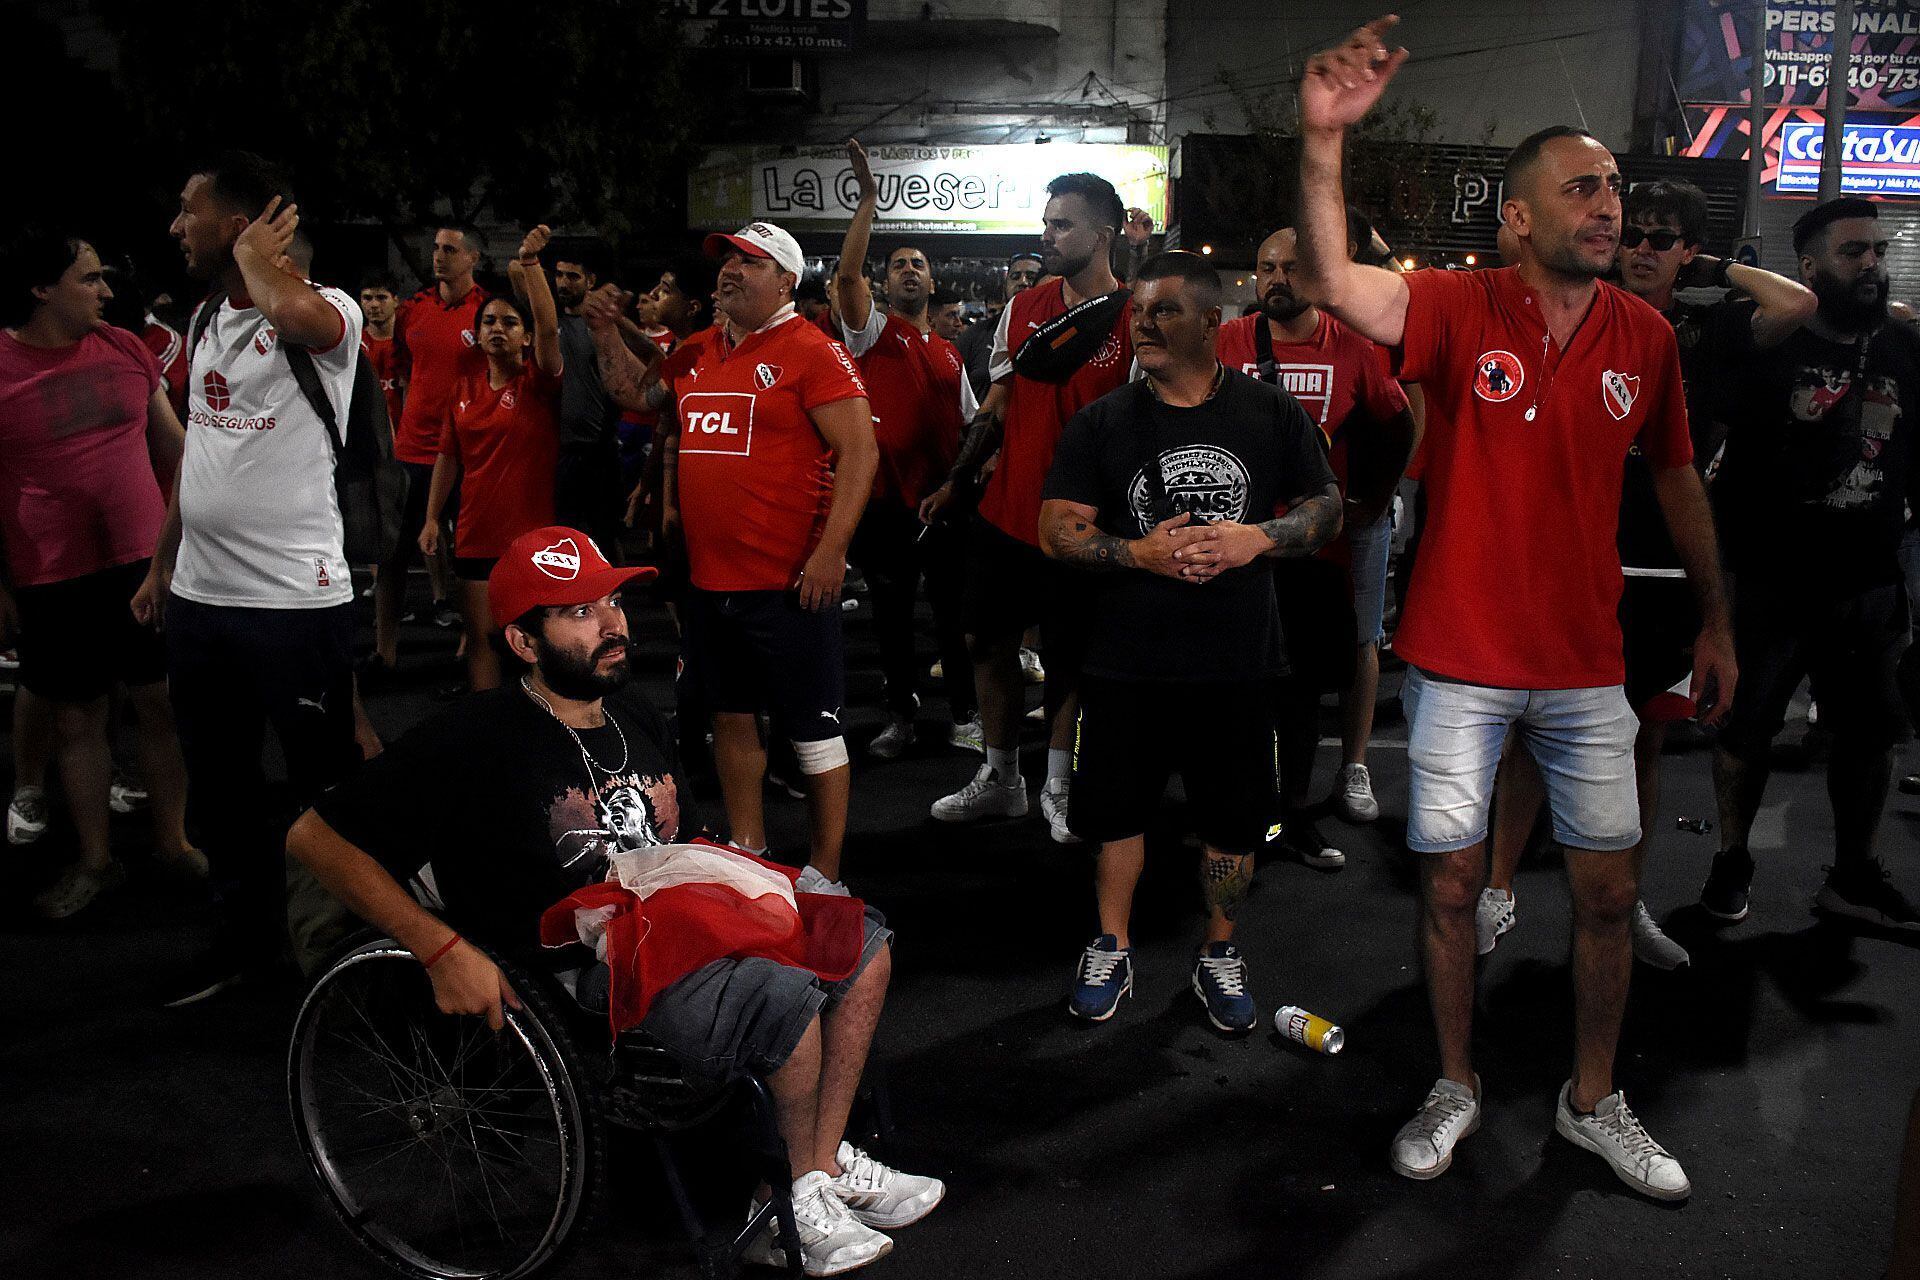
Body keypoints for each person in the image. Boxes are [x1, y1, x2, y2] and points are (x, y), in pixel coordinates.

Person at [1296, 18, 1736, 1200]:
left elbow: (1677, 475)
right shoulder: (1456, 305)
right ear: (1521, 216)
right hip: (1458, 663)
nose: (1609, 205)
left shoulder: (1644, 335)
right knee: (1448, 884)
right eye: (1583, 187)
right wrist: (1324, 141)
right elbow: (1337, 282)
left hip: (1588, 664)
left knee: (1607, 893)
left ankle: (1593, 1098)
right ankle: (1455, 1079)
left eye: (1616, 187)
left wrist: (1716, 618)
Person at [286, 527, 942, 1278]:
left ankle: (814, 1168)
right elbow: (314, 839)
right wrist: (438, 947)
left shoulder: (637, 717)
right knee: (787, 993)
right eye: (579, 613)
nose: (614, 625)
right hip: (578, 975)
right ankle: (783, 1200)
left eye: (615, 601)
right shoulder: (473, 738)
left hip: (676, 927)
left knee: (861, 943)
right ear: (524, 642)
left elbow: (681, 842)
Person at [1480, 180, 1817, 968]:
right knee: (1532, 732)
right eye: (1635, 234)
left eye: (1662, 239)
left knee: (1644, 740)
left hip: (1662, 562)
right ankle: (1497, 890)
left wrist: (1715, 272)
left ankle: (1622, 903)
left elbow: (1797, 305)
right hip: (1569, 554)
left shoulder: (1709, 326)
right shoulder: (1579, 305)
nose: (1641, 249)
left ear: (1688, 249)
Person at [1041, 252, 1341, 1030]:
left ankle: (1220, 951)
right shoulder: (1102, 421)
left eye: (1165, 311)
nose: (1144, 323)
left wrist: (1259, 538)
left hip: (1237, 661)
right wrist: (1132, 552)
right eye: (1140, 311)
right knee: (1115, 817)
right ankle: (1110, 943)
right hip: (1126, 661)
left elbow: (1325, 506)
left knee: (1234, 825)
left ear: (1213, 324)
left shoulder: (1269, 413)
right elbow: (1056, 528)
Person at [140, 151, 368, 1003]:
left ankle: (340, 948)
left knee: (324, 787)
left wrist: (254, 262)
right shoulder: (204, 323)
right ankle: (245, 942)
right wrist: (164, 562)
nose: (175, 227)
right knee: (223, 790)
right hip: (202, 601)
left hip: (292, 606)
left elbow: (298, 311)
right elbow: (202, 453)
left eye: (189, 213)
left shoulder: (327, 309)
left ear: (239, 230)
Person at [1701, 196, 1920, 933]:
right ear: (1809, 266)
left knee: (1869, 736)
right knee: (1747, 730)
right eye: (1853, 252)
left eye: (1878, 252)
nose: (1872, 265)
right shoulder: (1769, 340)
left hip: (1868, 580)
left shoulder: (1900, 348)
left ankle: (1852, 874)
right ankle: (1732, 858)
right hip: (1770, 576)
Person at [920, 172, 1134, 842]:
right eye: (1046, 223)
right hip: (1008, 511)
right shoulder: (1026, 307)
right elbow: (998, 404)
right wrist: (957, 480)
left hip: (1082, 522)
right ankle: (1003, 777)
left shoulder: (1135, 316)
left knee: (1069, 660)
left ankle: (1059, 787)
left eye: (1062, 224)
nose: (1047, 236)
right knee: (986, 641)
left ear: (1103, 234)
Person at [667, 220, 877, 889]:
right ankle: (749, 844)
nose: (729, 269)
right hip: (711, 579)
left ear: (786, 280)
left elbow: (860, 452)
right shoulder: (698, 349)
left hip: (789, 579)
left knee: (810, 727)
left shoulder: (811, 349)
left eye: (749, 262)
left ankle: (825, 868)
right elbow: (634, 398)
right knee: (730, 715)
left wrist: (831, 551)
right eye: (725, 259)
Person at [0, 228, 202, 918]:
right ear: (41, 288)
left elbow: (174, 445)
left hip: (144, 565)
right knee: (78, 720)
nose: (107, 291)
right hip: (52, 574)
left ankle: (173, 846)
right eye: (88, 279)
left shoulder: (124, 348)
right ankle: (96, 861)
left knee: (160, 703)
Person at [1215, 223, 1417, 865]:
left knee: (1304, 690)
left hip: (1315, 551)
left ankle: (1297, 814)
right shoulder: (1228, 342)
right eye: (1266, 266)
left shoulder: (1354, 345)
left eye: (1291, 267)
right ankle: (1236, 814)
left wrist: (1372, 500)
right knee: (1235, 688)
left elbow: (1396, 423)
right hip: (1234, 545)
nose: (1276, 278)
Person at [835, 139, 980, 759]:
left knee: (953, 620)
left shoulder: (950, 352)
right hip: (887, 505)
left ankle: (968, 715)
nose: (911, 270)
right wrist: (869, 201)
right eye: (898, 264)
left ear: (931, 278)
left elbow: (976, 422)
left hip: (943, 506)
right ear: (885, 281)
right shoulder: (871, 333)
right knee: (892, 619)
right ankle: (900, 714)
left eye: (919, 263)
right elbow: (845, 276)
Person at [420, 225, 565, 694]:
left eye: (508, 322)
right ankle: (488, 726)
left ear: (524, 338)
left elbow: (548, 323)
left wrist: (530, 264)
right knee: (484, 639)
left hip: (530, 539)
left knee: (537, 642)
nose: (497, 329)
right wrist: (430, 519)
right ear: (477, 335)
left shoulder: (537, 384)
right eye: (488, 322)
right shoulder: (464, 389)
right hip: (475, 536)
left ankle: (544, 727)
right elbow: (448, 457)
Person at [371, 224, 488, 674]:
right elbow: (401, 369)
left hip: (465, 455)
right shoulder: (412, 310)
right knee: (392, 557)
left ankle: (469, 648)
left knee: (467, 560)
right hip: (411, 451)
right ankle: (385, 651)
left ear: (472, 257)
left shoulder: (485, 313)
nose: (439, 257)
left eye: (450, 250)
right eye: (436, 248)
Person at [538, 247, 624, 556]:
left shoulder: (606, 328)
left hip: (599, 450)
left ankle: (615, 601)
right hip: (559, 452)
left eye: (572, 276)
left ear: (590, 281)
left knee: (606, 537)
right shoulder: (548, 326)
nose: (563, 283)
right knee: (563, 537)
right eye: (559, 275)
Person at [955, 252, 1042, 401]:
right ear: (1005, 285)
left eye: (1031, 277)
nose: (1023, 282)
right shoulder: (976, 335)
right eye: (1015, 277)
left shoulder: (1057, 331)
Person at [358, 271, 404, 426]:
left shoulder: (410, 344)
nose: (374, 304)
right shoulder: (355, 344)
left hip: (406, 432)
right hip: (367, 432)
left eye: (381, 297)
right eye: (367, 298)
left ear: (396, 301)